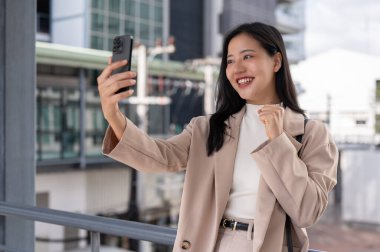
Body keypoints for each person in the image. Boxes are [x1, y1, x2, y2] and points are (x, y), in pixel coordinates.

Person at [98, 22, 338, 252]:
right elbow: (158, 157)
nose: (237, 68)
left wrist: (278, 141)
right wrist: (113, 114)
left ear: (276, 61)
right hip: (211, 243)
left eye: (247, 56)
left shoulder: (311, 134)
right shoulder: (209, 128)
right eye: (230, 61)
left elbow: (308, 211)